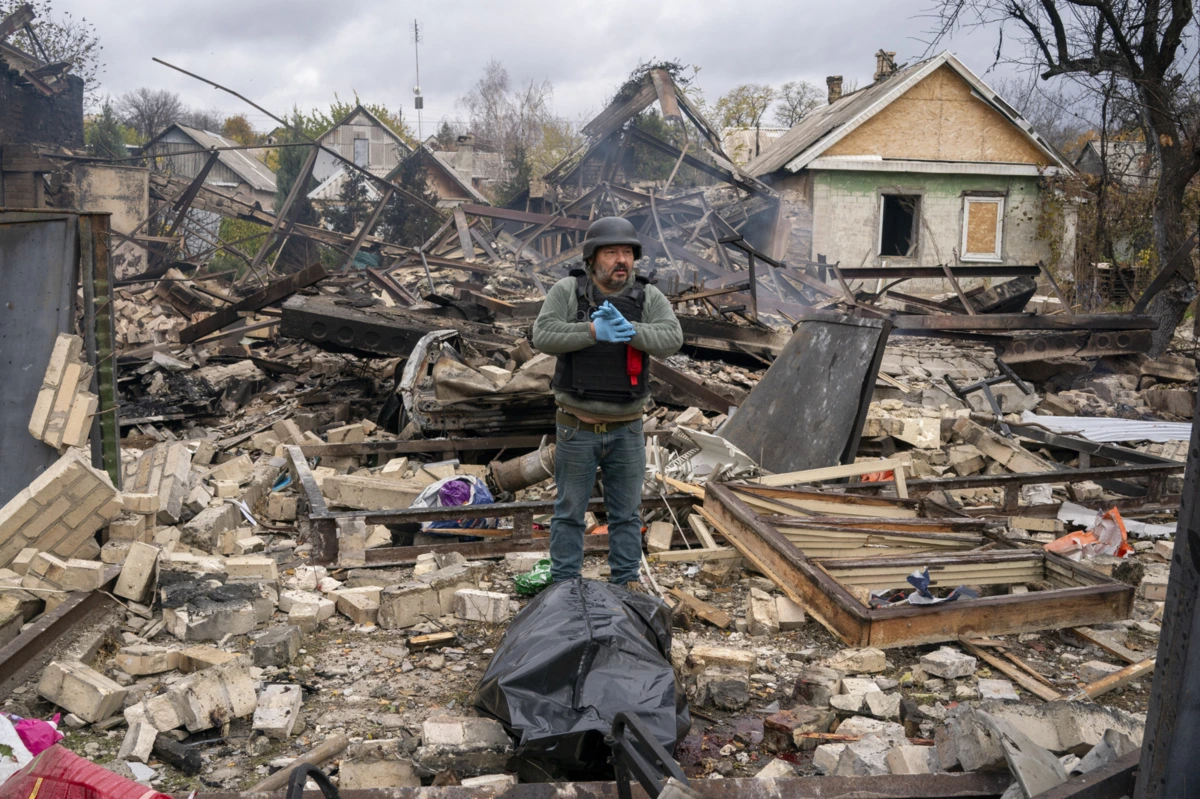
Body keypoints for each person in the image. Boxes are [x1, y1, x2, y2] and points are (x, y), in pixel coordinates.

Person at [531, 217, 684, 590]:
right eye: (612, 252)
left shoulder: (647, 297)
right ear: (592, 257)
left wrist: (633, 331)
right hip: (576, 428)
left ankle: (626, 586)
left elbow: (672, 337)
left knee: (626, 516)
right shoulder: (569, 291)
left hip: (627, 429)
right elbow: (543, 334)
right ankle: (565, 587)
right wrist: (591, 331)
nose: (622, 260)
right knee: (568, 514)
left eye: (628, 253)